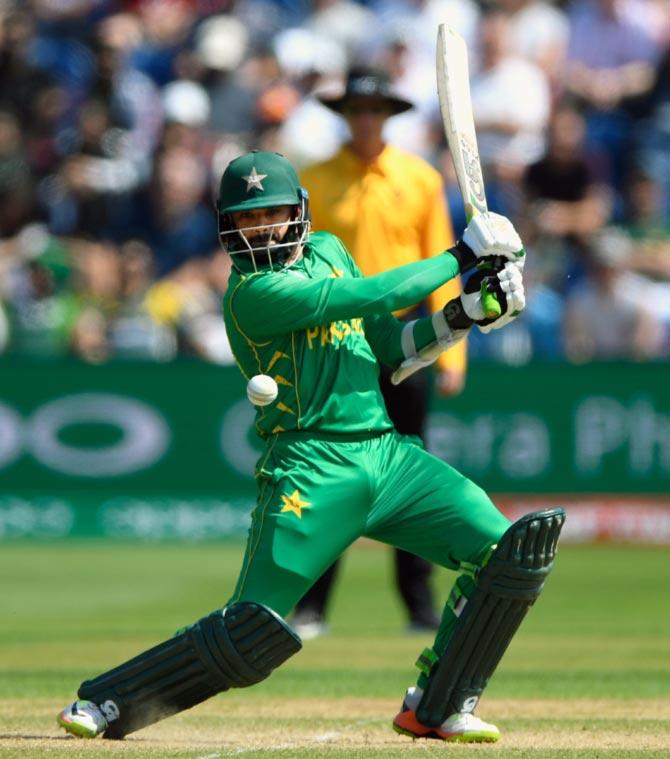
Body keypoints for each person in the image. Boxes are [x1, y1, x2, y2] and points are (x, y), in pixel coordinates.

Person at [57, 150, 565, 744]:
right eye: (248, 218)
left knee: (507, 554)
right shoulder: (251, 294)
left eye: (272, 212)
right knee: (251, 630)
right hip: (309, 469)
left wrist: (463, 313)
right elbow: (361, 299)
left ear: (298, 210)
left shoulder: (329, 250)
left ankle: (439, 705)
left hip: (388, 456)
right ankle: (110, 700)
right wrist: (462, 257)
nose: (263, 227)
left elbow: (389, 349)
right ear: (228, 227)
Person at [291, 67, 466, 639]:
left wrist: (454, 353)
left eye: (375, 110)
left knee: (407, 472)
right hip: (336, 345)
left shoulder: (418, 179)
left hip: (402, 344)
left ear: (387, 116)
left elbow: (439, 261)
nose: (365, 120)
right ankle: (311, 605)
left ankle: (418, 607)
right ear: (344, 116)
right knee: (332, 471)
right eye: (356, 110)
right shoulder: (314, 180)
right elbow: (299, 267)